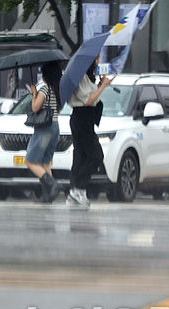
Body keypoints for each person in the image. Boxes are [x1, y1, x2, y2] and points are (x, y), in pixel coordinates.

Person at [67, 56, 113, 208]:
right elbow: (87, 100)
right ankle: (77, 188)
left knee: (81, 156)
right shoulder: (79, 77)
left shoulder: (87, 77)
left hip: (86, 119)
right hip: (81, 119)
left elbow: (91, 97)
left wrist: (101, 83)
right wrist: (103, 86)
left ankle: (77, 191)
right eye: (97, 59)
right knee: (96, 156)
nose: (98, 62)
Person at [26, 61, 62, 203]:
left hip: (44, 128)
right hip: (54, 126)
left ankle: (52, 184)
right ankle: (48, 196)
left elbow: (35, 108)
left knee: (30, 161)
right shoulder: (57, 89)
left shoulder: (45, 89)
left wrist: (34, 94)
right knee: (45, 163)